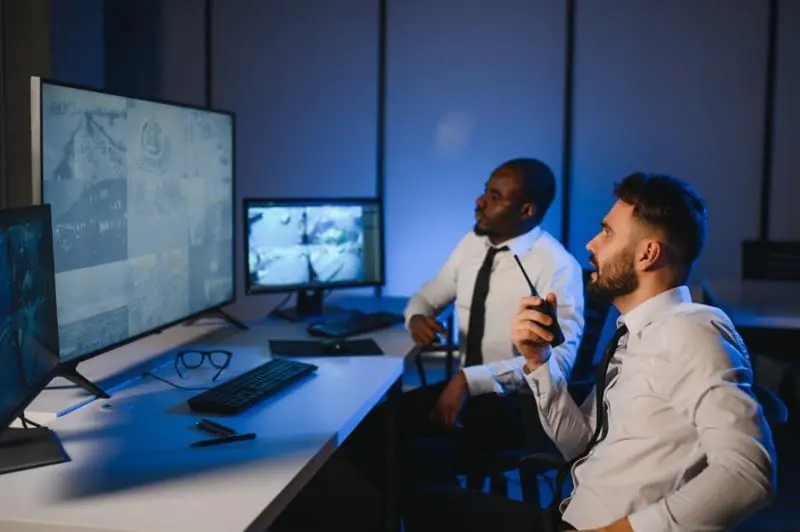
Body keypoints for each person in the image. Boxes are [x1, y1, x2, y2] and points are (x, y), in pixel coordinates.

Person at [403, 172, 776, 532]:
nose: (591, 244)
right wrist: (538, 362)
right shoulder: (634, 336)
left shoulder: (691, 329)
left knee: (416, 492)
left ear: (648, 254)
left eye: (607, 233)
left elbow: (748, 473)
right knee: (419, 494)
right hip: (567, 515)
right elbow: (579, 446)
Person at [358, 157, 584, 492]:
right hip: (465, 391)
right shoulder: (472, 244)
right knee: (369, 429)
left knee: (401, 449)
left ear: (526, 210)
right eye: (484, 192)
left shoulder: (557, 265)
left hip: (517, 407)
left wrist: (470, 380)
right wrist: (417, 317)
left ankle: (446, 508)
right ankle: (431, 506)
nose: (479, 202)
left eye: (494, 197)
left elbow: (559, 363)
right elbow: (426, 296)